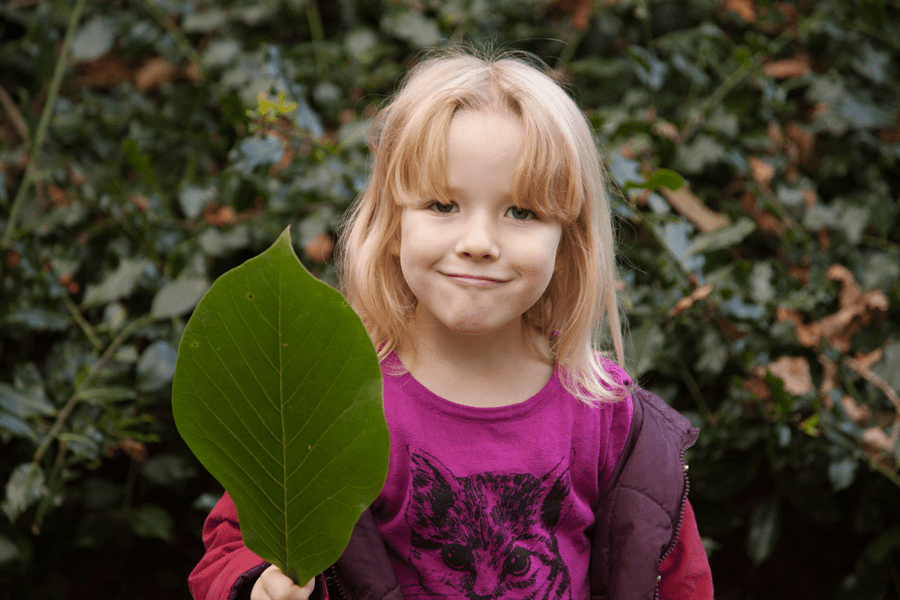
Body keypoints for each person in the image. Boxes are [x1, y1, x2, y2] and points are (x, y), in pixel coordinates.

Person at [189, 47, 714, 600]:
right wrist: (259, 585)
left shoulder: (607, 415)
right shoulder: (331, 404)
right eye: (443, 205)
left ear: (569, 244)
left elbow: (678, 578)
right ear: (392, 225)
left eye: (521, 212)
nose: (479, 244)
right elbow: (236, 543)